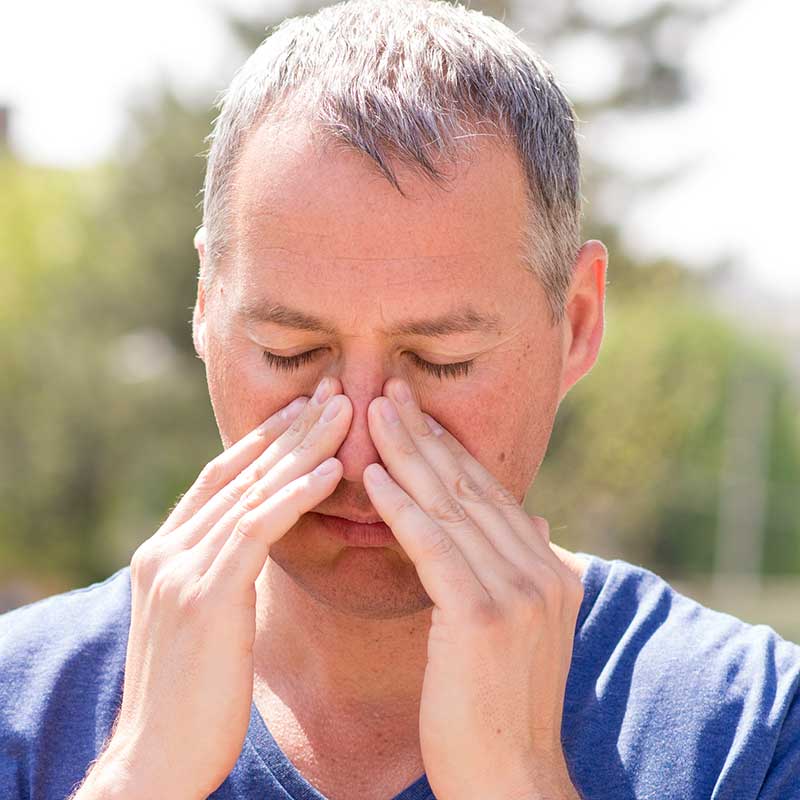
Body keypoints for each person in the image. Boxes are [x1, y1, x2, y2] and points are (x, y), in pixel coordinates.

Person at [2, 0, 799, 798]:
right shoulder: (21, 707)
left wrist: (517, 780)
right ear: (206, 305)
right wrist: (140, 773)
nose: (356, 447)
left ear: (577, 323)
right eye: (290, 353)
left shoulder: (750, 733)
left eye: (441, 361)